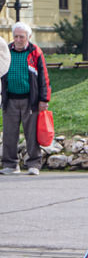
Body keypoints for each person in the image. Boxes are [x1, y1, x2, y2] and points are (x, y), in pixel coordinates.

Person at [1, 22, 51, 176]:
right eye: (15, 36)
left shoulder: (35, 52)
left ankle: (34, 163)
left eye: (21, 37)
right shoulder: (6, 51)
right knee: (9, 133)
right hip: (10, 100)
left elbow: (43, 77)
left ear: (28, 37)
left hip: (31, 100)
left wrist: (44, 99)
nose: (18, 39)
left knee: (32, 134)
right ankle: (10, 164)